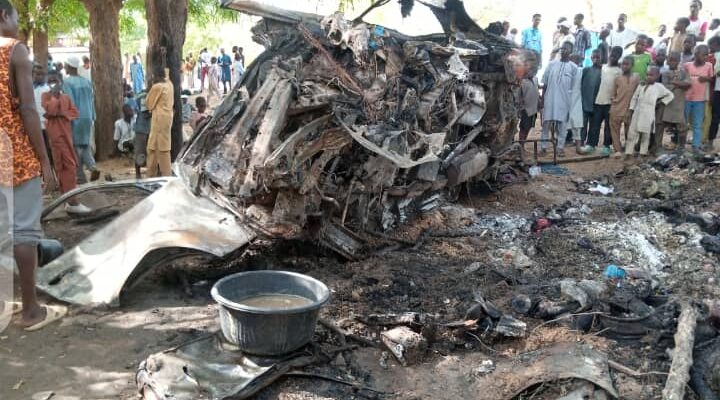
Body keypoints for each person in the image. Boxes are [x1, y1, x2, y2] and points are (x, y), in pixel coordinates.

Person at [0, 0, 64, 331]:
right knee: (24, 231)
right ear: (3, 15)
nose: (17, 25)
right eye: (15, 17)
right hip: (14, 156)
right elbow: (27, 109)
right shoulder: (14, 50)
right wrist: (44, 160)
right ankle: (30, 312)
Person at [42, 72, 91, 214]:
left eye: (55, 81)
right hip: (56, 137)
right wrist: (55, 100)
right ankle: (72, 200)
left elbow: (74, 113)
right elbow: (50, 110)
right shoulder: (46, 96)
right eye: (50, 81)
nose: (53, 83)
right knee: (65, 166)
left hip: (67, 136)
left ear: (61, 82)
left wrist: (63, 114)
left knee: (67, 165)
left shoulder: (66, 97)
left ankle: (67, 199)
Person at [63, 56, 99, 183]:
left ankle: (80, 176)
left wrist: (68, 118)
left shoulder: (67, 83)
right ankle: (92, 166)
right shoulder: (86, 82)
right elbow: (91, 100)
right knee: (85, 144)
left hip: (76, 118)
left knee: (75, 147)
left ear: (68, 66)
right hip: (88, 116)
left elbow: (70, 102)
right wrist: (93, 116)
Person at [625, 66, 674, 158]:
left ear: (657, 76)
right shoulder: (641, 85)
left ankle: (642, 153)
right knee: (632, 133)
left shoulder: (659, 87)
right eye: (647, 75)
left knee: (645, 135)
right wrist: (631, 110)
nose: (648, 77)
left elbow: (670, 95)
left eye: (651, 75)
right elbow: (634, 97)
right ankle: (628, 153)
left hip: (648, 114)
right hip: (637, 113)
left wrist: (661, 102)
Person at [541, 41, 577, 156]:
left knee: (562, 125)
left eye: (566, 49)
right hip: (549, 100)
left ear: (571, 51)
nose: (563, 50)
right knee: (546, 124)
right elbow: (545, 83)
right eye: (562, 48)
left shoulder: (573, 67)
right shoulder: (551, 64)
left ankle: (560, 147)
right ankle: (543, 147)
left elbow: (573, 87)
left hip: (564, 101)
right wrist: (542, 99)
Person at [587, 46, 624, 155]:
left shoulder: (619, 71)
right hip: (599, 101)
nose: (614, 55)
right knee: (594, 124)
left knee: (608, 126)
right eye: (612, 53)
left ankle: (607, 146)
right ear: (609, 53)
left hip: (610, 103)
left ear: (620, 56)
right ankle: (591, 144)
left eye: (617, 54)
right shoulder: (602, 67)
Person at [657, 51, 692, 154]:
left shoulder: (683, 72)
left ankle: (681, 147)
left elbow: (688, 84)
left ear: (678, 61)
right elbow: (665, 87)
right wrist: (680, 84)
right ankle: (658, 147)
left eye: (674, 60)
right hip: (666, 103)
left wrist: (673, 82)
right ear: (667, 60)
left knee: (682, 126)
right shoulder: (664, 73)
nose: (672, 62)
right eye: (670, 59)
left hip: (678, 103)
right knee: (660, 124)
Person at [684, 44, 714, 152]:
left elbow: (711, 79)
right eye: (703, 55)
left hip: (699, 100)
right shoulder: (687, 65)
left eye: (707, 55)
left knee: (697, 124)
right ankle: (680, 145)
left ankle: (695, 146)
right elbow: (682, 78)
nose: (706, 57)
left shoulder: (709, 66)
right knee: (683, 122)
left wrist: (705, 78)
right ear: (696, 54)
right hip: (686, 98)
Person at [609, 56, 641, 157]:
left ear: (632, 65)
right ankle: (617, 149)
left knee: (630, 130)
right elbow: (613, 93)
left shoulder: (636, 77)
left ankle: (629, 148)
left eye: (627, 64)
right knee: (615, 130)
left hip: (630, 110)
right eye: (623, 64)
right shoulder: (617, 78)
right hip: (617, 108)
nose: (624, 66)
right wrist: (614, 101)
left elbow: (638, 92)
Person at [146, 67, 174, 177]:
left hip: (158, 121)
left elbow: (149, 104)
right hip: (167, 120)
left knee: (157, 150)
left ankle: (157, 176)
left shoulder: (157, 87)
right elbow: (167, 73)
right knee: (161, 148)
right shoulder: (169, 84)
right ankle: (160, 175)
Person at [580, 50, 602, 148]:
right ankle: (581, 141)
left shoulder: (603, 71)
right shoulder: (586, 70)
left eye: (598, 57)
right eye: (594, 57)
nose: (596, 59)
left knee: (594, 125)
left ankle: (591, 143)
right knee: (583, 124)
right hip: (585, 101)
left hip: (597, 103)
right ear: (591, 58)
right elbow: (580, 84)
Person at [566, 54, 585, 155]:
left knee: (577, 124)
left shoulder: (581, 71)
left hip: (577, 99)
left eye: (576, 60)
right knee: (562, 125)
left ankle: (578, 147)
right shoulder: (565, 70)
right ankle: (559, 148)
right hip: (565, 100)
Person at [517, 70, 539, 154]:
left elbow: (536, 91)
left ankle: (522, 145)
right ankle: (520, 146)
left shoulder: (535, 79)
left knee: (528, 127)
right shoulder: (522, 82)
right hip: (525, 109)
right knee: (523, 128)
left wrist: (539, 100)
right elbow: (519, 96)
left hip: (533, 109)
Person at [708, 36, 720, 146]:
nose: (709, 47)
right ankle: (710, 141)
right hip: (716, 89)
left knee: (715, 116)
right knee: (715, 116)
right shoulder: (713, 56)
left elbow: (715, 72)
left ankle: (710, 142)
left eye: (711, 45)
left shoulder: (717, 56)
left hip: (717, 90)